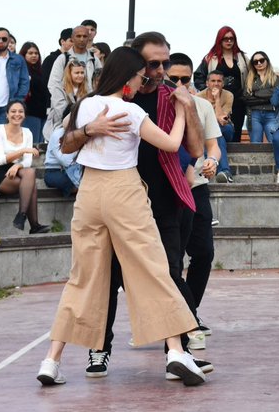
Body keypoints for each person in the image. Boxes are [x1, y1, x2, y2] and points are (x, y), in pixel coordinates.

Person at [36, 46, 206, 387]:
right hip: (123, 191)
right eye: (140, 75)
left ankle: (51, 361)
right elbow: (172, 146)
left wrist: (89, 130)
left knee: (82, 276)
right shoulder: (129, 111)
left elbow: (65, 147)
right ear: (129, 77)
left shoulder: (86, 106)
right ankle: (175, 351)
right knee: (151, 268)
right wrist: (185, 109)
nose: (142, 80)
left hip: (89, 193)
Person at [167, 55, 221, 350]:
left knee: (203, 253)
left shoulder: (202, 106)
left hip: (196, 187)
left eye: (185, 79)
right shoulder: (157, 106)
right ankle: (175, 322)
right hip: (166, 191)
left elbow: (213, 145)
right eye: (173, 78)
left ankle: (190, 313)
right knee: (170, 261)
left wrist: (212, 160)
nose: (179, 85)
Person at [0, 101, 50, 234]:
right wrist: (24, 150)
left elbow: (28, 162)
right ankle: (34, 225)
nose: (17, 114)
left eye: (20, 111)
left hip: (16, 171)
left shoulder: (27, 132)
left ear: (24, 115)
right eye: (13, 111)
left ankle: (22, 214)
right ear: (7, 114)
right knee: (30, 185)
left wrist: (17, 166)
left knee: (29, 172)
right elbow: (0, 160)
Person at [195, 26, 250, 143]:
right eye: (225, 38)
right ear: (219, 40)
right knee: (218, 129)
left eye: (231, 38)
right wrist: (208, 92)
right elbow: (198, 76)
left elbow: (251, 76)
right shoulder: (210, 58)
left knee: (236, 131)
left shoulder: (242, 58)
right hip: (217, 100)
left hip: (238, 101)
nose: (229, 41)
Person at [198, 70, 235, 183]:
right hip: (210, 132)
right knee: (218, 137)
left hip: (226, 129)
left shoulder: (228, 95)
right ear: (207, 83)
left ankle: (208, 166)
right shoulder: (199, 97)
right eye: (213, 81)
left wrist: (217, 99)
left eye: (219, 81)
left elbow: (222, 120)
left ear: (223, 84)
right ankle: (225, 172)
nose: (216, 84)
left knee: (218, 130)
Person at [48, 25, 102, 97]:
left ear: (88, 38)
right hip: (67, 105)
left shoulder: (94, 59)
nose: (82, 39)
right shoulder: (63, 59)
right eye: (78, 36)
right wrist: (63, 106)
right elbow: (54, 84)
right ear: (72, 38)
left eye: (85, 36)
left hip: (90, 104)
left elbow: (101, 82)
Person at [243, 51, 279, 143]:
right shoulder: (249, 79)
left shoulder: (275, 78)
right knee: (256, 144)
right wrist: (267, 97)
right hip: (254, 114)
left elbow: (276, 94)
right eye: (255, 62)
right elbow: (247, 97)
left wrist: (255, 94)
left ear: (267, 61)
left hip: (272, 113)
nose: (259, 63)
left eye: (261, 60)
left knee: (274, 141)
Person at [46, 61, 88, 136]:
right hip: (59, 128)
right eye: (77, 73)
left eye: (82, 73)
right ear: (69, 74)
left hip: (79, 129)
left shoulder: (87, 90)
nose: (80, 75)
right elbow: (61, 112)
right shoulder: (58, 88)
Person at [20, 42, 51, 143]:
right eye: (30, 53)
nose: (34, 55)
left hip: (42, 113)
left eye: (36, 53)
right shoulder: (22, 71)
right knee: (33, 144)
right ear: (24, 54)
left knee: (40, 144)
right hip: (30, 112)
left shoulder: (40, 71)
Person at [42, 126, 82, 195]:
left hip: (75, 169)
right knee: (65, 181)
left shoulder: (81, 132)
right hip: (54, 170)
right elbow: (65, 161)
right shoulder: (58, 134)